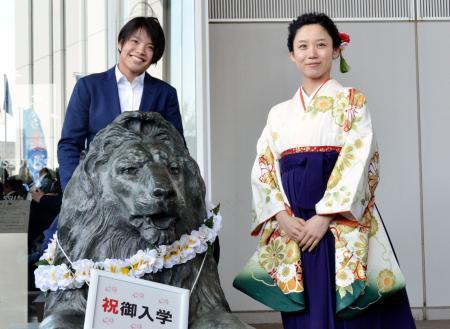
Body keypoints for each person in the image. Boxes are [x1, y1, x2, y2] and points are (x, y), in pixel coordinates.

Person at [245, 13, 415, 329]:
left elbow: (360, 159)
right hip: (296, 225)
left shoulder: (352, 101)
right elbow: (263, 166)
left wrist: (324, 217)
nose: (312, 53)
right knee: (305, 311)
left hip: (341, 222)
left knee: (354, 313)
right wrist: (281, 216)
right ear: (292, 55)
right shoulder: (279, 113)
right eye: (303, 46)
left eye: (321, 45)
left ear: (336, 50)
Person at [57, 16, 183, 191]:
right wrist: (73, 189)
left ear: (155, 55)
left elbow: (177, 149)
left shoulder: (165, 94)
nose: (141, 50)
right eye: (135, 41)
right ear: (121, 43)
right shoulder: (88, 87)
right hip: (96, 193)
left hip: (148, 196)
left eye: (150, 47)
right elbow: (70, 144)